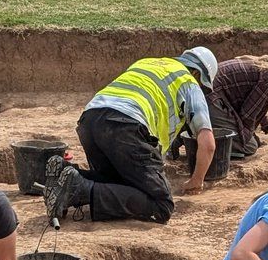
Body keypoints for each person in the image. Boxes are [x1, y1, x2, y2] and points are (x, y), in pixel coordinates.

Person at [43, 47, 218, 225]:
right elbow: (208, 144)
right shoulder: (187, 81)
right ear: (197, 73)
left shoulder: (147, 62)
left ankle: (63, 174)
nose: (201, 90)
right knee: (161, 205)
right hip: (125, 127)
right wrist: (197, 180)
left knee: (121, 183)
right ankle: (80, 189)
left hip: (90, 120)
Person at [207, 49, 268, 159]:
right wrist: (247, 138)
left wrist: (264, 121)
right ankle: (203, 143)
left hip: (210, 92)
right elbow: (247, 115)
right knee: (249, 147)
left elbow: (252, 99)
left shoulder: (267, 64)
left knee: (248, 139)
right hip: (210, 98)